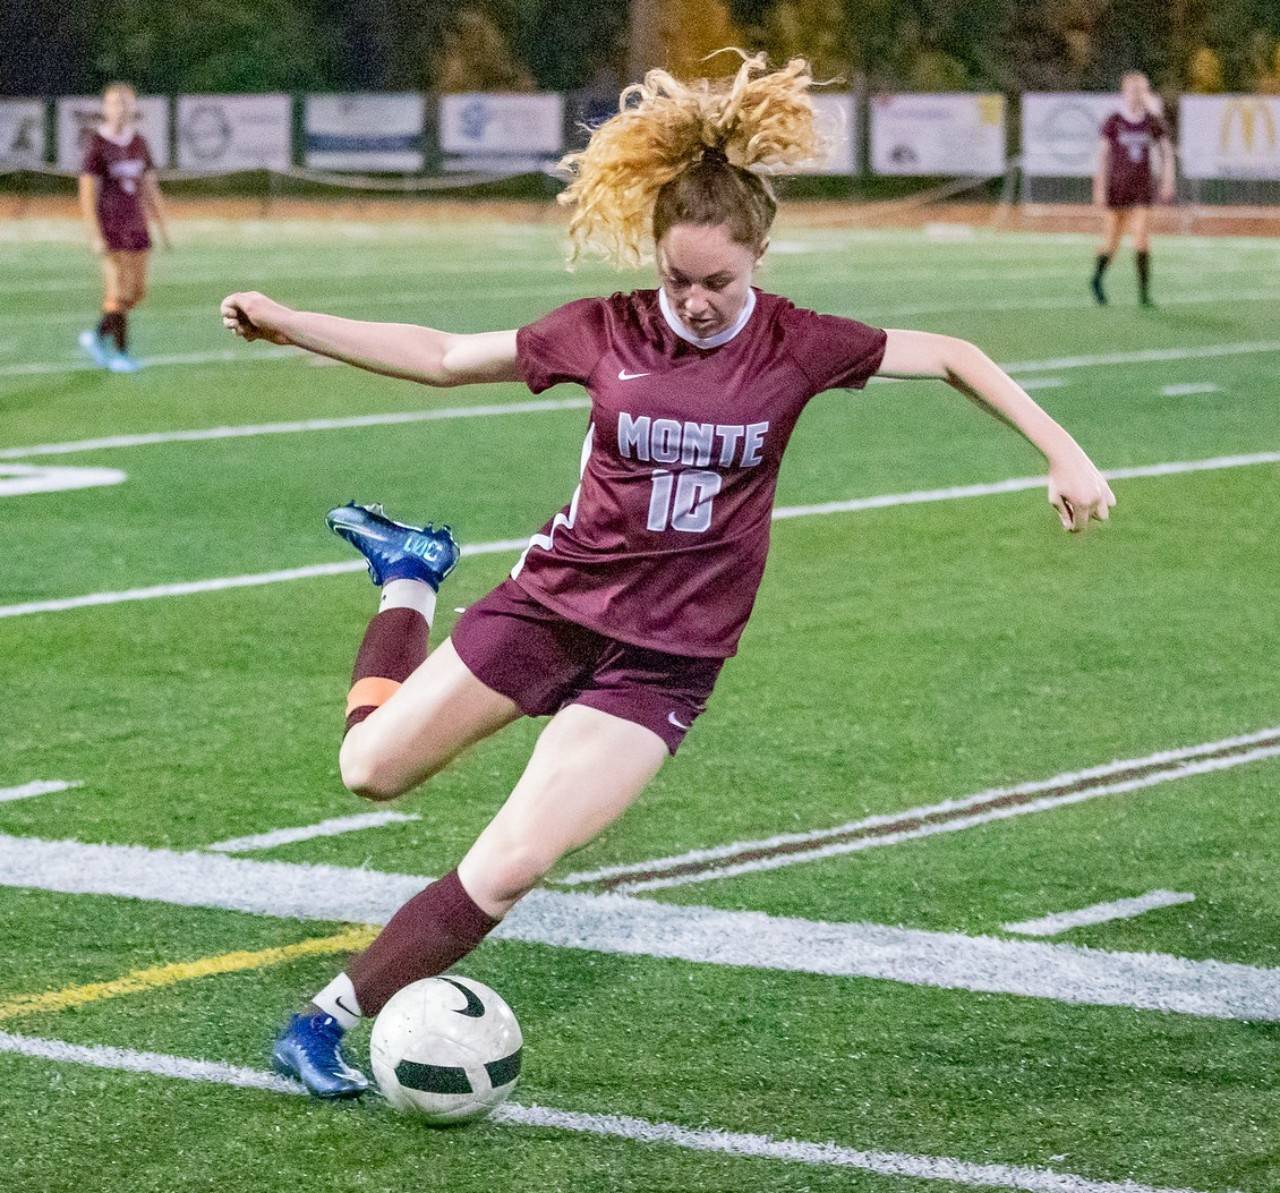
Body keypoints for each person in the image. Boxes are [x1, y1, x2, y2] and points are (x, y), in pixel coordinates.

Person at [220, 52, 1116, 1099]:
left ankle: (322, 1022)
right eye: (675, 277)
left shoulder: (799, 344)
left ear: (760, 258)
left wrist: (1064, 450)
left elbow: (957, 353)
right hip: (549, 608)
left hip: (664, 663)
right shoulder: (601, 328)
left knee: (512, 860)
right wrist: (290, 320)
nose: (691, 300)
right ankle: (409, 581)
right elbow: (440, 354)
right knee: (368, 772)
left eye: (716, 281)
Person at [78, 82, 171, 373]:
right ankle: (120, 353)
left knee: (136, 293)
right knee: (117, 292)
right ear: (105, 108)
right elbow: (87, 193)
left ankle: (95, 336)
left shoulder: (139, 142)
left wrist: (163, 227)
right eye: (114, 103)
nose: (120, 109)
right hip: (111, 228)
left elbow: (149, 187)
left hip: (137, 228)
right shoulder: (97, 144)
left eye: (125, 103)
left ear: (134, 108)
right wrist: (94, 235)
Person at [1090, 71, 1174, 307]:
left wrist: (1168, 179)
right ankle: (1096, 279)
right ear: (1124, 93)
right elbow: (1102, 155)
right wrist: (1099, 186)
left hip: (1142, 190)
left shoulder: (1152, 121)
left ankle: (1144, 294)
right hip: (1117, 189)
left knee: (1141, 240)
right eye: (1133, 90)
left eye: (1141, 90)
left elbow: (1167, 151)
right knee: (1110, 243)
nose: (1137, 95)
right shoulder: (1114, 121)